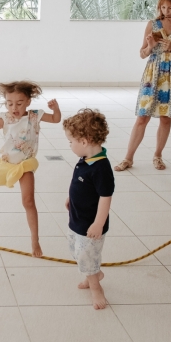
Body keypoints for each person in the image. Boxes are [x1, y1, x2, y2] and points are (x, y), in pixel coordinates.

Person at [0, 81, 61, 258]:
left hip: (25, 164)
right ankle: (1, 178)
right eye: (10, 103)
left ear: (28, 102)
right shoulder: (4, 118)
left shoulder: (35, 116)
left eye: (19, 103)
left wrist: (56, 109)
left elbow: (56, 120)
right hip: (7, 163)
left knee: (28, 201)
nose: (14, 107)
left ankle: (35, 239)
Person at [114, 0, 171, 172]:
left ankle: (158, 155)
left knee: (166, 118)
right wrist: (150, 47)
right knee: (142, 117)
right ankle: (128, 158)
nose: (166, 11)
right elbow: (142, 54)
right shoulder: (153, 24)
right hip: (153, 74)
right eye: (163, 7)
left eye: (170, 8)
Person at [63, 109, 114, 309]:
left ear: (84, 141)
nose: (70, 145)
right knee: (76, 251)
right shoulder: (85, 159)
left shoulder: (101, 168)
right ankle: (91, 272)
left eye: (70, 141)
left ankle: (96, 286)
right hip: (77, 217)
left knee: (86, 254)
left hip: (91, 224)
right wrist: (71, 197)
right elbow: (78, 183)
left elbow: (105, 198)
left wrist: (98, 223)